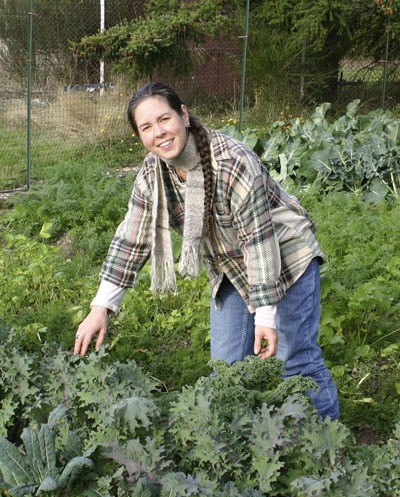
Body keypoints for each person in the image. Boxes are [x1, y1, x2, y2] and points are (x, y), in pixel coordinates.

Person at [74, 81, 339, 420]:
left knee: (294, 362)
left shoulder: (232, 162)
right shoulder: (151, 176)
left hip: (286, 258)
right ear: (139, 136)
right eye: (146, 127)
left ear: (183, 115)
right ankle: (233, 453)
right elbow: (132, 238)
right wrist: (101, 307)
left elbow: (259, 244)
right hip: (231, 266)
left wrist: (266, 317)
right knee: (225, 373)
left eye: (164, 118)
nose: (159, 132)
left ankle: (327, 446)